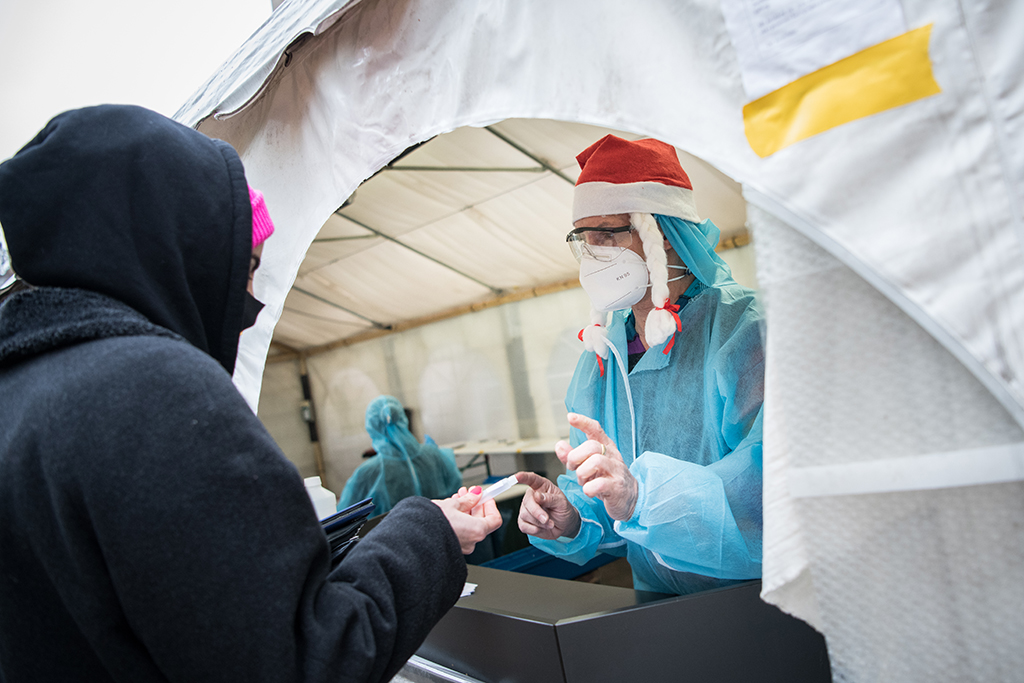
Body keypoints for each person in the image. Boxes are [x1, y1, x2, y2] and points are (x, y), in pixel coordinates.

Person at [0, 105, 501, 683]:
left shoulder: (25, 391)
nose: (249, 300)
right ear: (174, 247)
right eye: (244, 268)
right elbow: (305, 659)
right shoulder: (155, 392)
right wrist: (426, 530)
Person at [516, 135, 764, 595]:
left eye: (607, 232)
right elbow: (612, 508)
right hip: (654, 606)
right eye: (582, 237)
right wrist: (572, 518)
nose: (592, 250)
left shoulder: (743, 334)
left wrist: (646, 497)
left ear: (665, 234)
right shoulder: (602, 358)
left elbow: (768, 488)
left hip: (752, 602)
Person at [338, 395, 464, 515]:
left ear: (372, 426)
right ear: (403, 419)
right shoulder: (434, 455)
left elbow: (343, 516)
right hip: (442, 532)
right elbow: (456, 489)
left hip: (393, 537)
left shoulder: (367, 473)